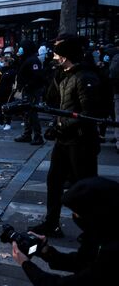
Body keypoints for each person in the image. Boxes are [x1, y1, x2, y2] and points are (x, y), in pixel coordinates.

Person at [11, 177, 119, 286]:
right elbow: (82, 261)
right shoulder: (104, 231)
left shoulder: (113, 251)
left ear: (95, 214)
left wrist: (26, 264)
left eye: (77, 213)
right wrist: (46, 251)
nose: (75, 217)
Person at [29, 35, 102, 238]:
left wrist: (62, 125)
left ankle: (94, 231)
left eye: (56, 51)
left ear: (64, 55)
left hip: (80, 141)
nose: (52, 55)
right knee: (54, 181)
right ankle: (52, 223)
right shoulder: (66, 74)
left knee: (85, 187)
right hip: (65, 139)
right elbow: (57, 101)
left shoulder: (84, 76)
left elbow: (88, 113)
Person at [13, 40, 46, 145]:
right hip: (27, 90)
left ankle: (38, 136)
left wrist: (27, 85)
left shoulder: (33, 60)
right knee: (27, 113)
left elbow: (36, 76)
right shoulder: (26, 59)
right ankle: (27, 134)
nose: (20, 49)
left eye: (22, 47)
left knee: (32, 113)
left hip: (32, 90)